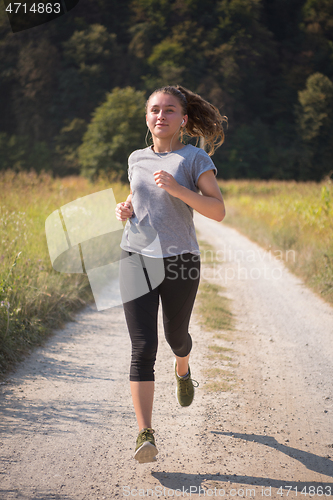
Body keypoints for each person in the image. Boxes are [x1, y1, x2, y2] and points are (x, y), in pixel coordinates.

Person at [115, 85, 226, 464]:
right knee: (143, 347)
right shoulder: (136, 158)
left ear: (183, 118)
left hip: (180, 262)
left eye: (169, 110)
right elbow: (140, 196)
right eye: (154, 110)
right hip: (136, 257)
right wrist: (126, 209)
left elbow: (217, 210)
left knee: (176, 337)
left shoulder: (195, 158)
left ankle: (183, 366)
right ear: (147, 117)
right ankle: (145, 433)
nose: (161, 116)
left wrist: (179, 190)